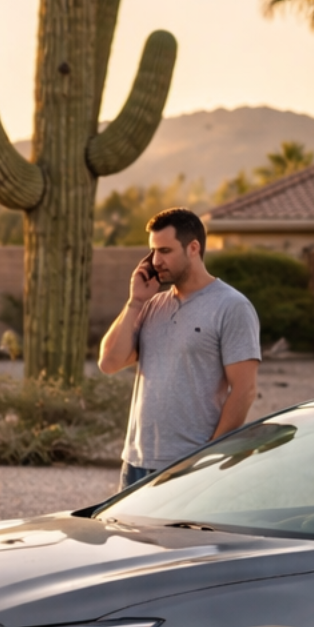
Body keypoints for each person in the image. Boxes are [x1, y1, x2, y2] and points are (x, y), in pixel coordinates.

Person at [98, 207, 262, 489]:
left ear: (193, 248)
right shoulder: (151, 305)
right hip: (136, 462)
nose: (155, 261)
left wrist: (208, 457)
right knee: (129, 536)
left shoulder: (232, 307)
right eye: (152, 252)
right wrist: (135, 301)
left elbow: (244, 390)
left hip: (189, 464)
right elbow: (109, 363)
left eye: (165, 250)